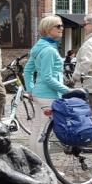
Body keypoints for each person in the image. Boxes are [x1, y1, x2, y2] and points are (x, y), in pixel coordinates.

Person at [23, 16, 70, 155]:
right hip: (48, 95)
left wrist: (31, 90)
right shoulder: (49, 50)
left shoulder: (39, 47)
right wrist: (68, 90)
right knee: (44, 133)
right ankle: (46, 168)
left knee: (37, 129)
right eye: (58, 26)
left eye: (62, 26)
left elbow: (27, 70)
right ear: (48, 29)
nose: (62, 28)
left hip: (39, 94)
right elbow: (47, 77)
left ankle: (36, 165)